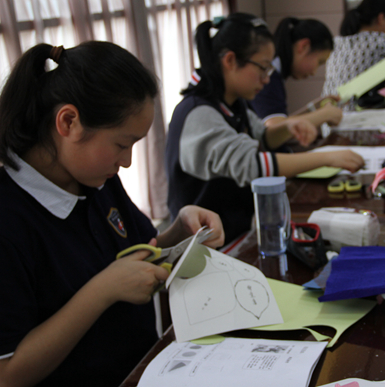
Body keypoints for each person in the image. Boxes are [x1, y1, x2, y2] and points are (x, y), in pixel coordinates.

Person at [0, 41, 224, 387]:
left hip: (146, 369)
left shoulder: (95, 179)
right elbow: (9, 373)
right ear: (69, 122)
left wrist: (179, 232)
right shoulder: (11, 219)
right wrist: (101, 290)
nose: (127, 161)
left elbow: (133, 257)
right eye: (122, 144)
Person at [165, 13, 365, 245]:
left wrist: (289, 125)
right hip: (204, 249)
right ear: (230, 61)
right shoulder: (198, 112)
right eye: (263, 67)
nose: (266, 79)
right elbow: (254, 165)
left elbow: (262, 136)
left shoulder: (232, 102)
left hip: (234, 234)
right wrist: (326, 158)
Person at [250, 17, 343, 132]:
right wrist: (325, 114)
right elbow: (274, 129)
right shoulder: (269, 77)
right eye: (319, 62)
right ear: (303, 46)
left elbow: (281, 120)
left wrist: (314, 109)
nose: (314, 73)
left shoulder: (276, 75)